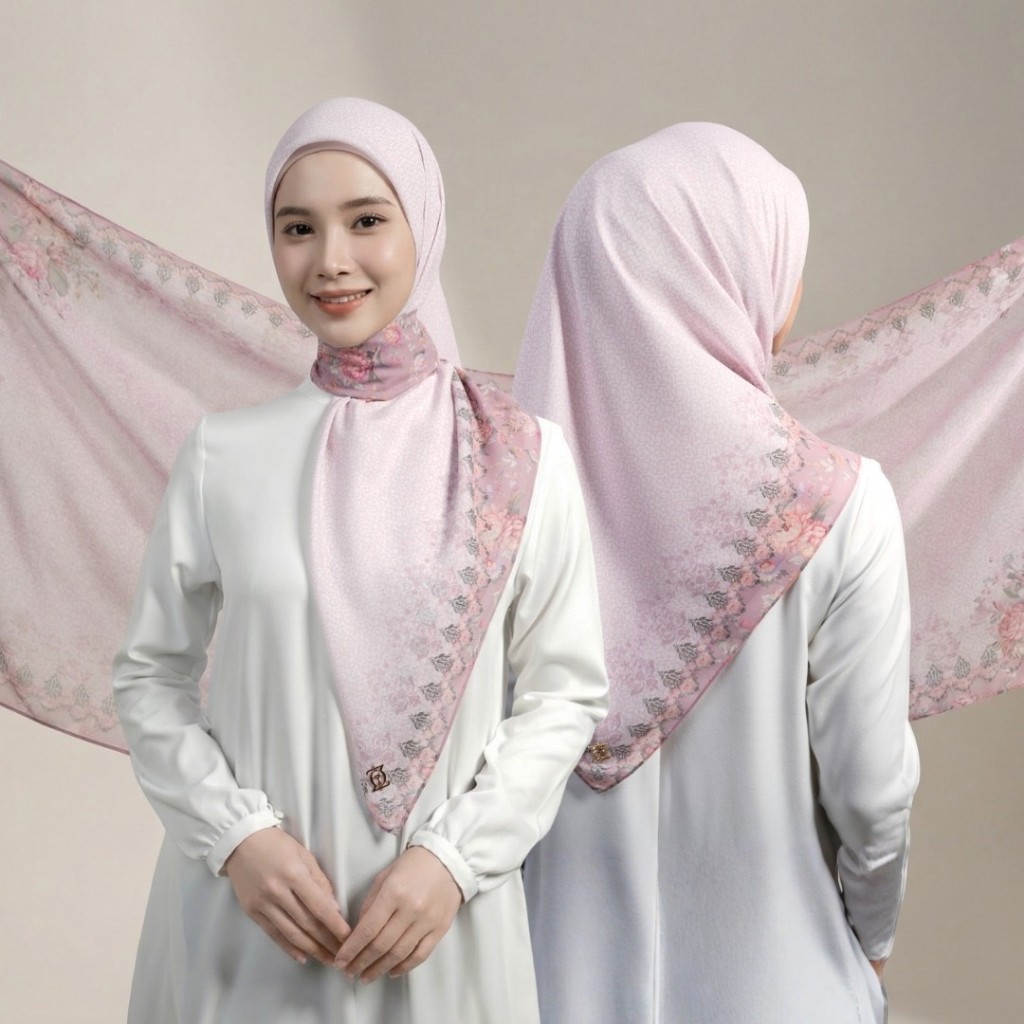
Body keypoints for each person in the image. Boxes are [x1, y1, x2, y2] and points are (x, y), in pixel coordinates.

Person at [112, 97, 608, 1024]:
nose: (331, 260)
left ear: (424, 227)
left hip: (439, 935)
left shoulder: (520, 458)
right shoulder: (224, 455)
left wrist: (454, 862)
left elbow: (565, 693)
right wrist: (235, 838)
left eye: (368, 221)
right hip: (249, 931)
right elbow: (149, 676)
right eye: (298, 228)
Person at [514, 123, 920, 1023]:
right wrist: (873, 937)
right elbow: (872, 789)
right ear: (737, 269)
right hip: (786, 985)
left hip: (546, 989)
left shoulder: (504, 513)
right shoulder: (840, 506)